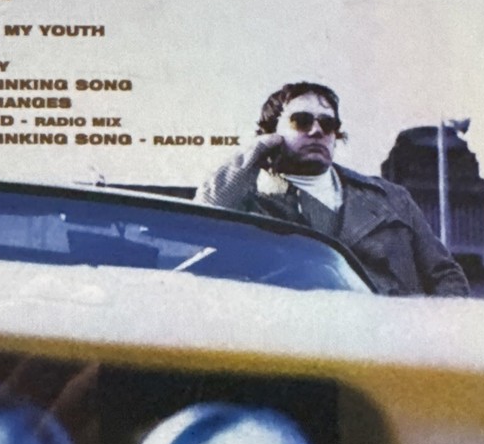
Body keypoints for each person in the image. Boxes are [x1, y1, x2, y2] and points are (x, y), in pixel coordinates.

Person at [195, 81, 470, 297]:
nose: (317, 131)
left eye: (328, 124)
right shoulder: (252, 204)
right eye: (301, 121)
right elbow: (205, 214)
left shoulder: (390, 197)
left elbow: (445, 275)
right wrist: (259, 148)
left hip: (395, 339)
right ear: (272, 133)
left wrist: (432, 332)